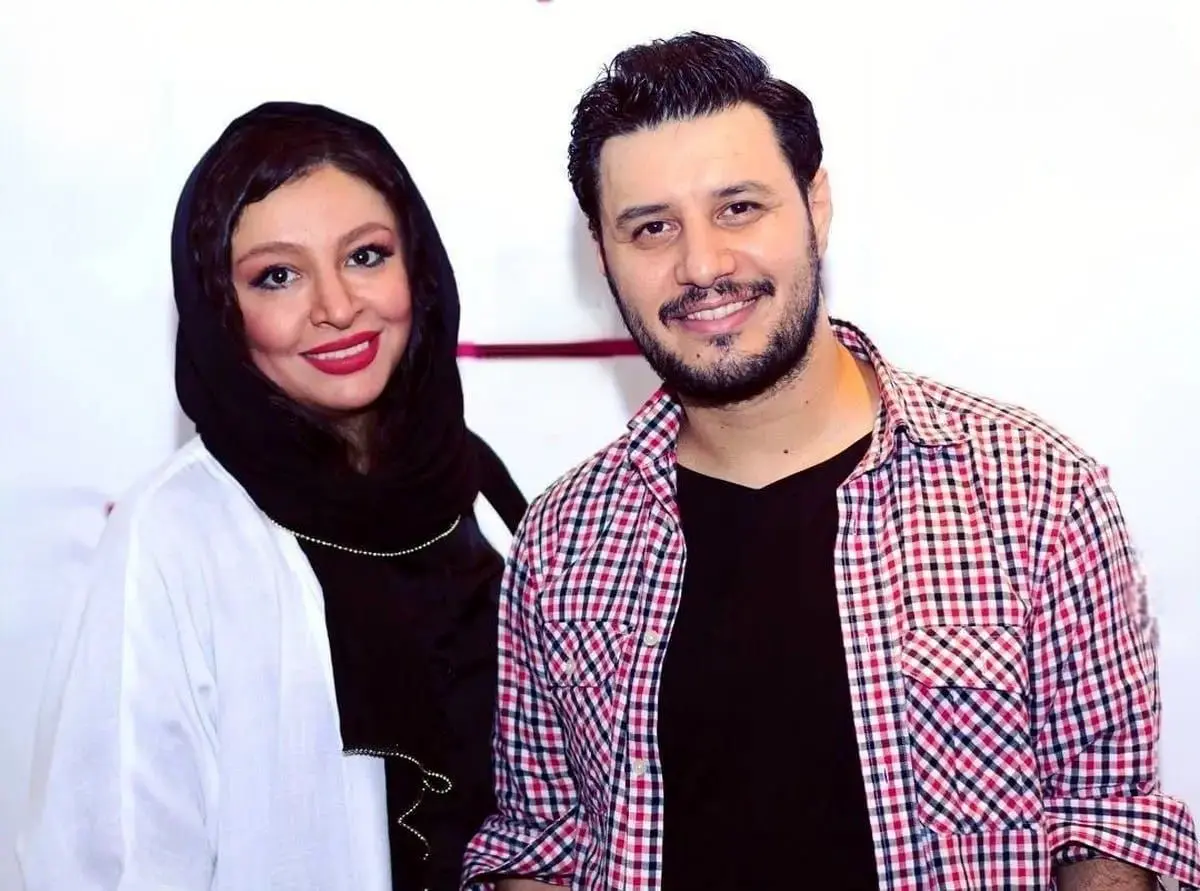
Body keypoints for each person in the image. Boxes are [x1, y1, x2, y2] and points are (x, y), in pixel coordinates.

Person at [463, 32, 1200, 891]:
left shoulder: (1035, 489)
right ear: (603, 255)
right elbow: (539, 846)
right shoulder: (563, 539)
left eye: (739, 208)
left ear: (815, 205)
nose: (702, 264)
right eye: (652, 227)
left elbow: (1108, 823)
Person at [17, 101, 526, 891]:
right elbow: (113, 863)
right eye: (278, 276)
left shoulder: (476, 484)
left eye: (365, 255)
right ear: (222, 308)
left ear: (417, 269)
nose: (336, 306)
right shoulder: (176, 534)